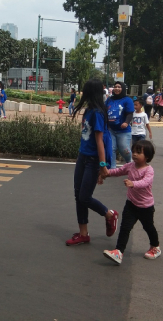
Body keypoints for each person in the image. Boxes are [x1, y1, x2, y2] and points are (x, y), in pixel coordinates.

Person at [65, 79, 118, 247]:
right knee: (78, 195)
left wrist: (103, 167)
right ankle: (83, 234)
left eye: (84, 91)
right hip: (83, 157)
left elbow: (100, 141)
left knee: (84, 197)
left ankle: (109, 214)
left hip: (93, 160)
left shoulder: (97, 113)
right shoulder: (89, 110)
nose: (82, 93)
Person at [101, 140, 160, 265]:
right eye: (133, 151)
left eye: (139, 152)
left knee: (148, 227)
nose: (134, 154)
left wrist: (133, 184)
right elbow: (119, 171)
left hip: (146, 207)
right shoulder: (130, 166)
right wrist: (107, 173)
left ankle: (155, 247)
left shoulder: (149, 170)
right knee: (125, 228)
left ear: (147, 156)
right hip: (131, 204)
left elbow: (145, 182)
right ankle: (118, 252)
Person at [106, 81, 134, 163]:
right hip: (111, 129)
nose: (117, 88)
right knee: (111, 149)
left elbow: (130, 113)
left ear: (123, 88)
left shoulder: (127, 100)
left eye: (119, 87)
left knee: (125, 150)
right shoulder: (109, 100)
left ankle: (130, 163)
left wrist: (126, 122)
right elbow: (104, 110)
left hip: (123, 130)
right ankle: (112, 169)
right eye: (115, 87)